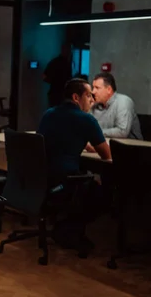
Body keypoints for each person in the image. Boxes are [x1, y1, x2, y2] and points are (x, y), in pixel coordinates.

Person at [37, 78, 111, 250]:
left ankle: (64, 225)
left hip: (43, 181)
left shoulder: (49, 114)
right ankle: (68, 229)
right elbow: (106, 155)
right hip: (64, 183)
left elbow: (50, 138)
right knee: (104, 193)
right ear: (76, 97)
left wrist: (84, 143)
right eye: (88, 96)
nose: (92, 100)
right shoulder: (87, 120)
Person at [91, 72, 142, 139]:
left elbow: (122, 132)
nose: (93, 91)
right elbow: (88, 128)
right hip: (106, 144)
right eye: (93, 87)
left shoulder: (123, 101)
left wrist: (95, 133)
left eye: (97, 88)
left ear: (109, 89)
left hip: (130, 147)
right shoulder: (95, 105)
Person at [43, 43, 73, 108]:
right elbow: (44, 77)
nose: (69, 52)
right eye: (68, 50)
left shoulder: (67, 63)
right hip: (57, 94)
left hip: (60, 94)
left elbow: (44, 77)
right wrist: (56, 82)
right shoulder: (57, 62)